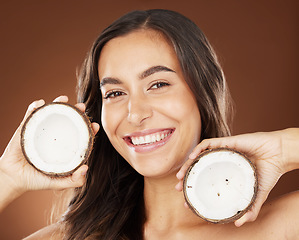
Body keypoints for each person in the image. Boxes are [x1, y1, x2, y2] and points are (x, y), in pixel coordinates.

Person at [0, 9, 298, 240]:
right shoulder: (70, 237)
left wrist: (284, 148)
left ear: (202, 92)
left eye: (157, 84)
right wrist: (6, 178)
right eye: (115, 93)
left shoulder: (279, 227)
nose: (135, 113)